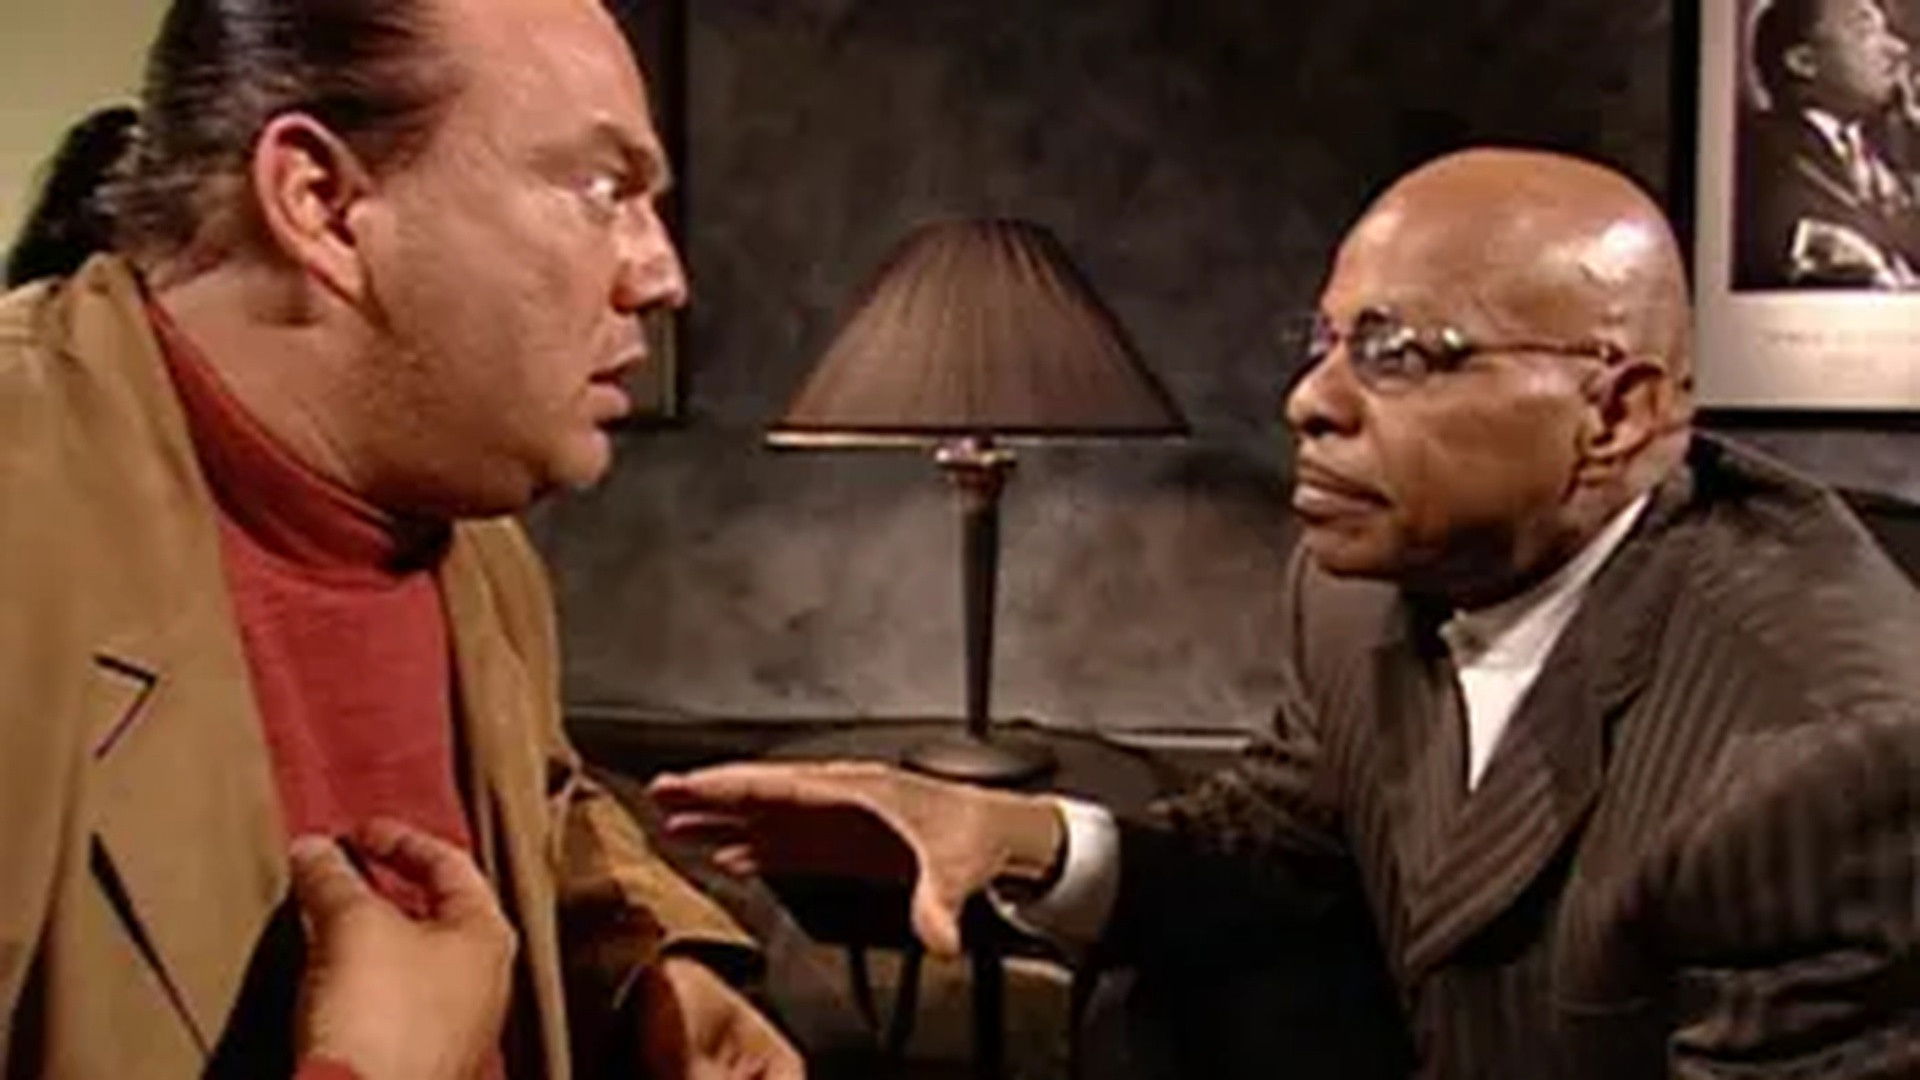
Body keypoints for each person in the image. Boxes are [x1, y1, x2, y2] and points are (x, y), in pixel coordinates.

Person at [652, 148, 1920, 1077]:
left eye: (1399, 352)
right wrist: (1018, 836)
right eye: (1322, 340)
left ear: (1616, 413)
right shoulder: (1354, 591)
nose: (1309, 401)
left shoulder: (1824, 754)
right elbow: (1278, 851)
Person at [0, 0, 803, 1076]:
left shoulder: (462, 523)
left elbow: (539, 801)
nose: (662, 275)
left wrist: (647, 966)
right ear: (324, 204)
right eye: (600, 190)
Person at [1735, 0, 1920, 288]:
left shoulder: (1896, 157)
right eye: (1865, 32)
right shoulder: (1757, 157)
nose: (1898, 49)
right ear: (1804, 62)